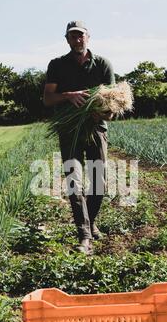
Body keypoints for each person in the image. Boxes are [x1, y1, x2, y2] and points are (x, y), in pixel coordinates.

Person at [43, 21, 115, 255]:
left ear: (88, 37)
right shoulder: (57, 65)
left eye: (80, 36)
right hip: (69, 130)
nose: (77, 40)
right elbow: (48, 99)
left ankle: (89, 222)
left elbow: (112, 107)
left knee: (99, 182)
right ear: (67, 39)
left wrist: (100, 112)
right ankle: (84, 234)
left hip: (96, 128)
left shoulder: (103, 64)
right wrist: (68, 95)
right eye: (72, 36)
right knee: (74, 181)